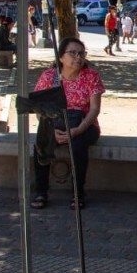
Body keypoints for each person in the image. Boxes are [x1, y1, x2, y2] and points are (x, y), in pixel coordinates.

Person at [30, 37, 104, 209]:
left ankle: (78, 193)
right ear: (61, 57)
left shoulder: (91, 77)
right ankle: (41, 191)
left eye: (81, 53)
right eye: (73, 53)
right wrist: (50, 131)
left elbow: (94, 110)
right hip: (54, 123)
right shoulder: (49, 77)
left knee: (77, 146)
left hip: (84, 124)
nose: (78, 57)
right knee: (41, 143)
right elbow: (38, 108)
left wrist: (78, 130)